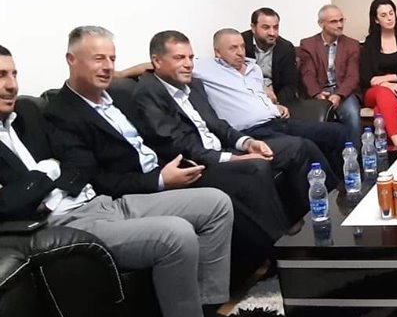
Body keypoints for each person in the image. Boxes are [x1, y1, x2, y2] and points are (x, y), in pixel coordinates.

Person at [1, 43, 242, 317]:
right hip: (66, 223)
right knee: (176, 234)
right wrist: (46, 173)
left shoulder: (26, 116)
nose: (11, 84)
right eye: (2, 76)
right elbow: (9, 204)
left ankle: (205, 310)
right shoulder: (54, 110)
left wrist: (52, 176)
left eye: (13, 74)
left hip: (100, 200)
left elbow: (80, 162)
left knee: (215, 203)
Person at [43, 26, 290, 287]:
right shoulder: (62, 112)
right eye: (98, 59)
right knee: (241, 179)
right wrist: (161, 180)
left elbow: (157, 137)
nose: (107, 67)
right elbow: (95, 178)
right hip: (142, 188)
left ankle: (282, 254)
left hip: (172, 165)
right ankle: (280, 258)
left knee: (252, 171)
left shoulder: (118, 96)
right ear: (71, 59)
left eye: (112, 59)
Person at [133, 30, 319, 231]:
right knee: (257, 166)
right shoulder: (149, 93)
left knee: (297, 147)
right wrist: (236, 158)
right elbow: (181, 147)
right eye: (179, 58)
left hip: (223, 149)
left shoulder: (193, 84)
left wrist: (247, 143)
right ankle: (277, 239)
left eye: (190, 57)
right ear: (157, 61)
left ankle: (316, 215)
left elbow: (217, 124)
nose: (188, 64)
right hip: (199, 165)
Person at [193, 28, 346, 189]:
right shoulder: (205, 69)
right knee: (303, 146)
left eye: (242, 46)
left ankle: (346, 183)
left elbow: (255, 94)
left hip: (278, 121)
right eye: (233, 48)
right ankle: (333, 193)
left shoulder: (253, 68)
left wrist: (273, 105)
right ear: (217, 52)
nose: (240, 52)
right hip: (252, 131)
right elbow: (180, 64)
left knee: (336, 131)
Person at [358, 0, 397, 148]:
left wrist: (388, 78)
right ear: (376, 20)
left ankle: (388, 149)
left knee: (380, 110)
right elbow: (366, 77)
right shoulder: (370, 42)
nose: (389, 18)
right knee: (383, 94)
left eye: (391, 13)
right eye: (384, 15)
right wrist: (386, 85)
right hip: (374, 91)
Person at [298, 4, 363, 144]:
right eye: (334, 21)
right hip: (318, 92)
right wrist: (317, 94)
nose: (340, 25)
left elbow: (352, 76)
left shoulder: (352, 44)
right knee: (316, 119)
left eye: (341, 20)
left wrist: (339, 95)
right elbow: (308, 74)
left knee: (352, 114)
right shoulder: (308, 45)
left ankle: (355, 155)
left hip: (344, 93)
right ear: (321, 24)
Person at [242, 7, 299, 106]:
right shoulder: (241, 43)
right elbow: (234, 76)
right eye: (266, 27)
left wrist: (277, 104)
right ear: (253, 28)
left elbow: (290, 85)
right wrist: (260, 88)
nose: (272, 33)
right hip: (247, 97)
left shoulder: (286, 48)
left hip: (275, 99)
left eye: (275, 27)